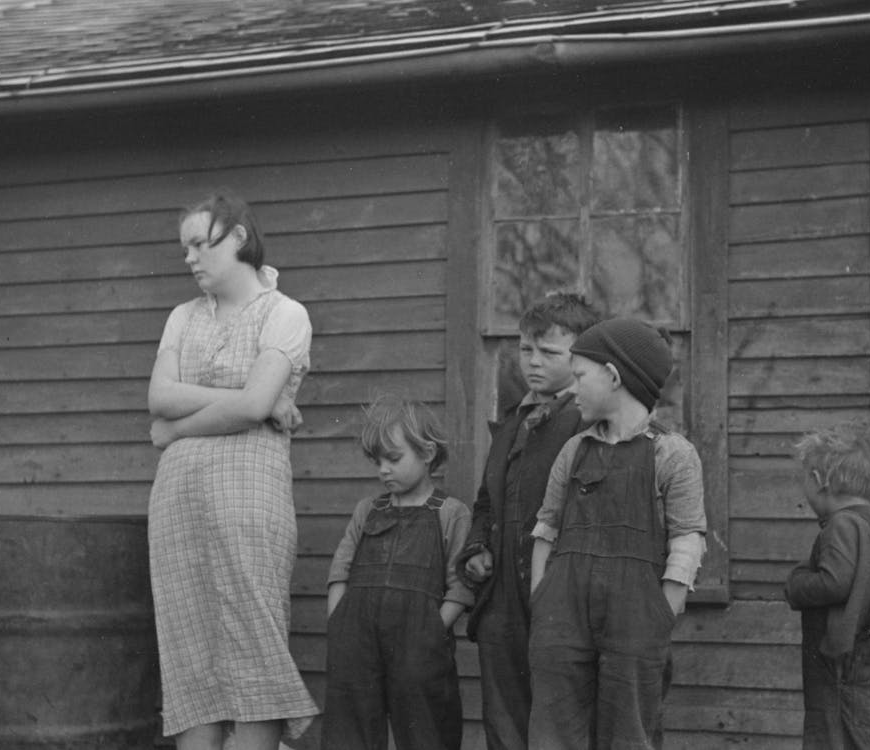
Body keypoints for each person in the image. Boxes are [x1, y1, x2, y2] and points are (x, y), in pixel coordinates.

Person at [147, 191, 318, 750]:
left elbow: (249, 406)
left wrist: (177, 430)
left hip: (249, 500)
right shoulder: (181, 317)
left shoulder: (285, 314)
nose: (191, 258)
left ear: (240, 237)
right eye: (185, 248)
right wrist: (250, 396)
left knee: (253, 643)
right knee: (190, 648)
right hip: (178, 504)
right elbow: (160, 396)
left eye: (202, 243)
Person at [527, 317, 706, 750]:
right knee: (554, 735)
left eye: (581, 376)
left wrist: (664, 611)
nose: (574, 388)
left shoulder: (672, 455)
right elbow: (546, 529)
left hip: (637, 624)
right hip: (562, 618)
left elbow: (688, 539)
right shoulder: (575, 450)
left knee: (627, 736)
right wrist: (540, 595)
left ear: (613, 375)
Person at [457, 291, 601, 750]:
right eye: (525, 349)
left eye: (549, 352)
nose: (532, 362)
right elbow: (486, 503)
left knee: (558, 726)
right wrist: (477, 549)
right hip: (501, 603)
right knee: (504, 725)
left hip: (556, 598)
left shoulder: (585, 422)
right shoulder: (511, 421)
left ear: (581, 355)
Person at [322, 395, 474, 750]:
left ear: (428, 453)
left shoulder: (450, 513)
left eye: (393, 458)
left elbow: (461, 586)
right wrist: (339, 624)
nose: (383, 470)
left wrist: (433, 631)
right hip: (356, 641)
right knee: (350, 732)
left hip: (419, 644)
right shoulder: (367, 510)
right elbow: (340, 570)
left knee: (426, 732)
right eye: (377, 461)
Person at [784, 423, 870, 749]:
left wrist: (796, 583)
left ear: (819, 481)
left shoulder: (842, 525)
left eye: (805, 479)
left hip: (843, 675)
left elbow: (835, 582)